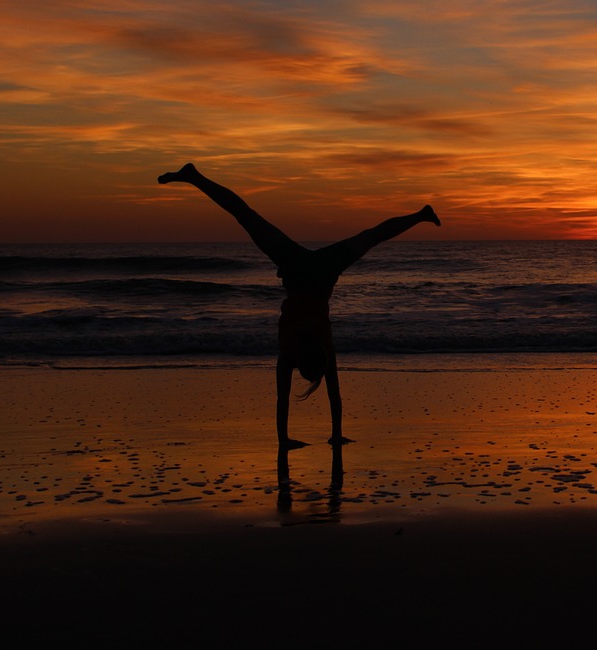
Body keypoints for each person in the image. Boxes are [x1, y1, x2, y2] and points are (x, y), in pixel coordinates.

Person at [158, 162, 440, 448]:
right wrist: (299, 438)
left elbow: (332, 394)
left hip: (318, 268)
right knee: (246, 216)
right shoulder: (293, 351)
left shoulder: (320, 348)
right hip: (296, 267)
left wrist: (326, 434)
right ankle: (194, 177)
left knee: (368, 236)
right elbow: (290, 398)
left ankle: (420, 215)